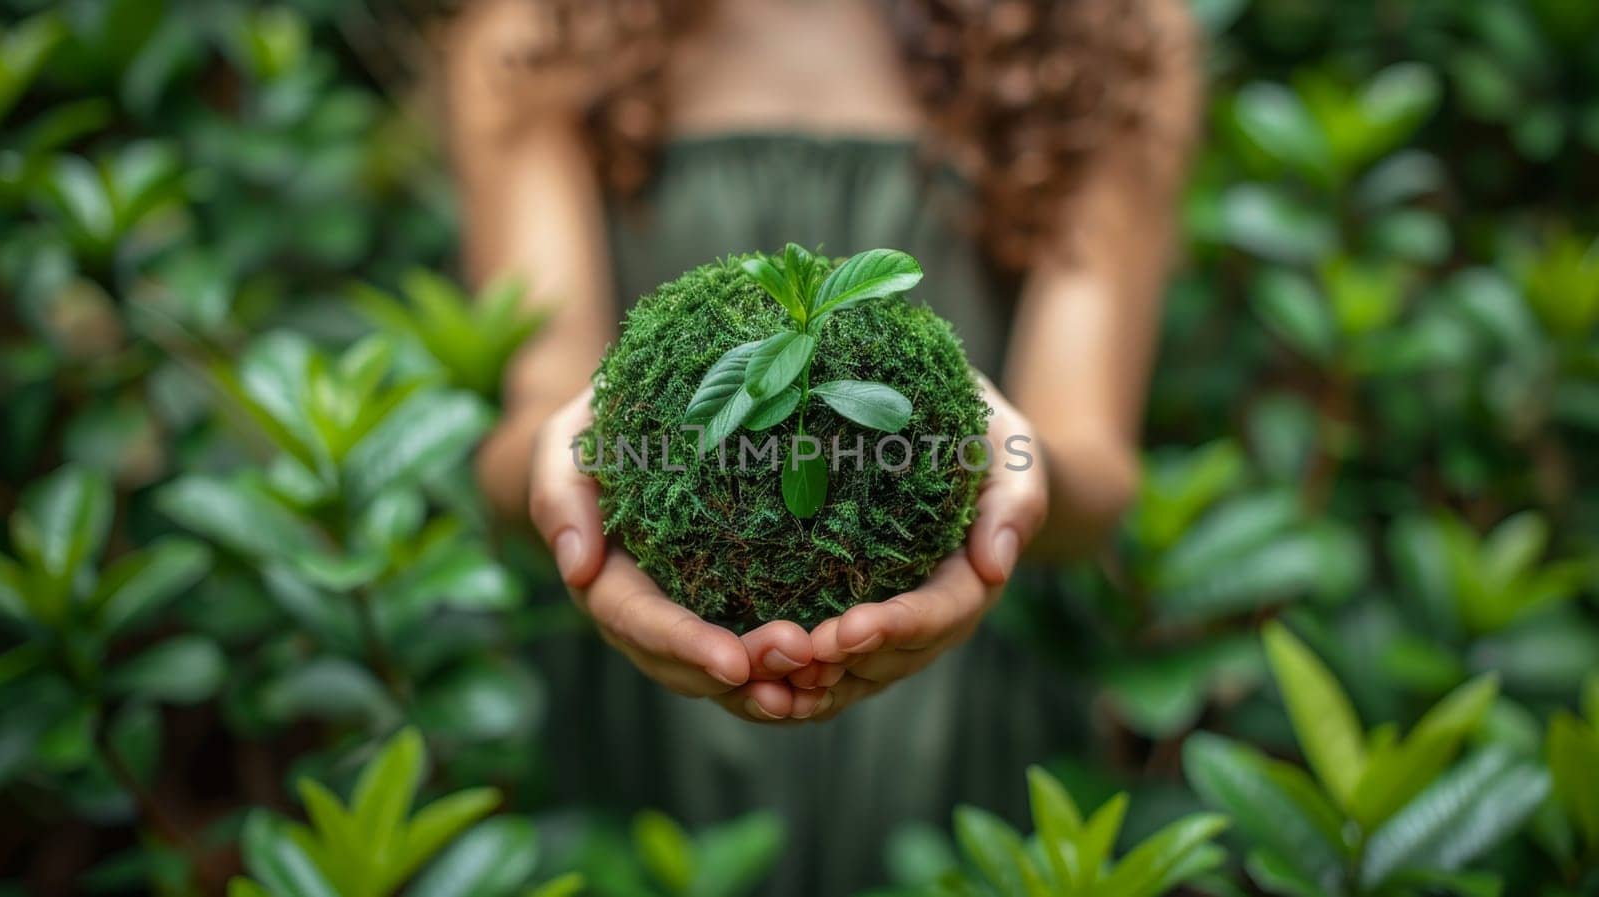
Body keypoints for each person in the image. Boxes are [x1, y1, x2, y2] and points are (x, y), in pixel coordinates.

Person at [446, 0, 1199, 891]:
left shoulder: (1108, 31)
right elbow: (540, 397)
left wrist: (1014, 461)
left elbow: (1088, 456)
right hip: (649, 675)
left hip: (957, 699)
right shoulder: (543, 31)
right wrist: (556, 453)